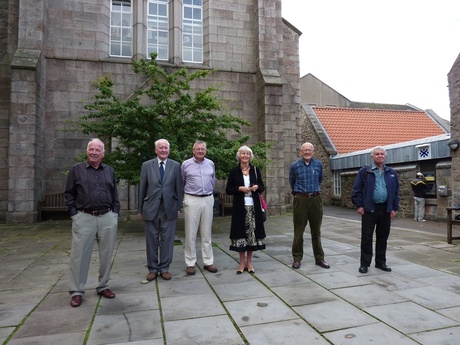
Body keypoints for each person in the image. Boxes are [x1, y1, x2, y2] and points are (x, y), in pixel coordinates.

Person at [65, 138, 120, 308]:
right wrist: (74, 215)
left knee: (106, 254)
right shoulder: (76, 170)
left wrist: (115, 213)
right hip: (84, 217)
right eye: (91, 149)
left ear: (103, 153)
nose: (94, 152)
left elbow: (114, 194)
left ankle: (103, 286)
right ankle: (76, 291)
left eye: (98, 150)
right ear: (87, 151)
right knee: (79, 255)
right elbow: (69, 194)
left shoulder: (109, 171)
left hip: (107, 217)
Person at [139, 139, 183, 281]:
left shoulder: (176, 166)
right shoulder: (146, 166)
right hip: (151, 208)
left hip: (169, 209)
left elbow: (179, 188)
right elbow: (142, 189)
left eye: (166, 148)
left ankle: (164, 268)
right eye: (161, 148)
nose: (163, 150)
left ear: (169, 150)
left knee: (167, 240)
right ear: (156, 150)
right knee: (151, 239)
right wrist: (141, 210)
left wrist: (178, 208)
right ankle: (152, 269)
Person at [352, 146, 400, 274]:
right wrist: (359, 206)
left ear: (385, 157)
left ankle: (380, 262)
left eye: (382, 154)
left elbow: (396, 192)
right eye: (377, 154)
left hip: (385, 209)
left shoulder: (391, 173)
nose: (379, 156)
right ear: (372, 157)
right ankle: (364, 264)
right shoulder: (365, 172)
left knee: (383, 237)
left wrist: (394, 208)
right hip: (369, 209)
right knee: (367, 237)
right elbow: (356, 190)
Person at [226, 145, 266, 274]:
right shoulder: (234, 171)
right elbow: (228, 189)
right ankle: (241, 263)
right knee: (241, 235)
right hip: (240, 208)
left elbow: (262, 187)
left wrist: (256, 187)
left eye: (247, 154)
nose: (245, 156)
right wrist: (239, 189)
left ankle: (249, 263)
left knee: (252, 236)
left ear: (250, 156)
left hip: (253, 208)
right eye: (243, 153)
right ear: (239, 156)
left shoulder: (255, 170)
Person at [289, 142, 329, 270]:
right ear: (301, 152)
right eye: (304, 150)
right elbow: (292, 182)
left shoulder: (318, 164)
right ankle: (297, 259)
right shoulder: (295, 166)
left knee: (316, 231)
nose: (307, 152)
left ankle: (319, 258)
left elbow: (320, 179)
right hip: (300, 199)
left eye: (309, 150)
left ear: (313, 151)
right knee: (298, 232)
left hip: (315, 199)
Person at [181, 141, 218, 275]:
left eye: (203, 149)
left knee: (206, 232)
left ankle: (208, 261)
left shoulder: (210, 163)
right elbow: (182, 181)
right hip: (192, 198)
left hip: (207, 198)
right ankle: (190, 263)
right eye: (198, 149)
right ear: (193, 150)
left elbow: (212, 180)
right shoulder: (186, 164)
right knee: (190, 233)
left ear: (206, 151)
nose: (200, 151)